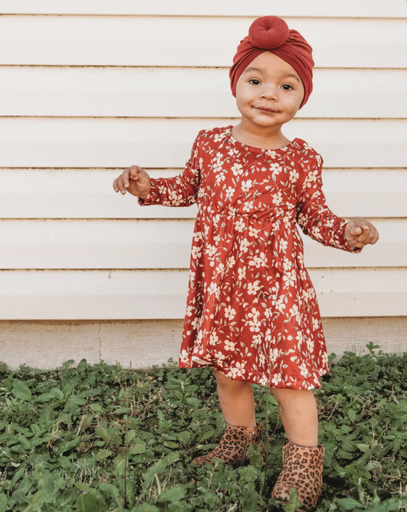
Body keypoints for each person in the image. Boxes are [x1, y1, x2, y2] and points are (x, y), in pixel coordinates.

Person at [113, 15, 379, 511]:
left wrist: (346, 231)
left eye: (286, 84)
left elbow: (315, 217)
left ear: (303, 97)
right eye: (255, 80)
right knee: (229, 374)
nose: (268, 93)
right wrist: (148, 186)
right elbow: (184, 190)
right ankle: (241, 438)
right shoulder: (210, 145)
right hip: (225, 287)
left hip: (278, 290)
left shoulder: (301, 159)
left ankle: (302, 465)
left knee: (289, 377)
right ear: (236, 83)